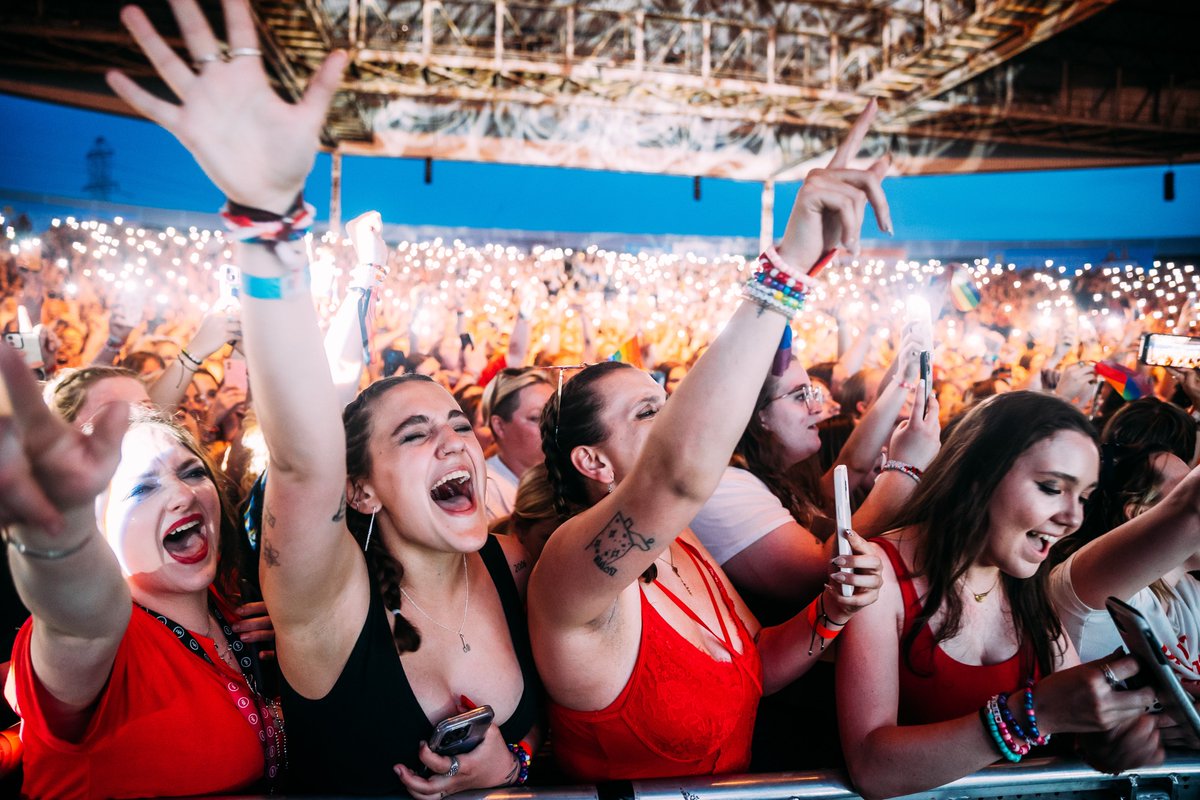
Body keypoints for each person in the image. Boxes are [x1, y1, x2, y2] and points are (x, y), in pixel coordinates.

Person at [106, 2, 540, 795]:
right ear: (361, 485)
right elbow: (304, 462)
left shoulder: (512, 564)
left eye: (456, 422)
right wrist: (268, 225)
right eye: (413, 434)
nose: (455, 441)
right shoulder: (327, 603)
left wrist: (508, 766)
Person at [518, 102, 889, 781]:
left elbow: (755, 669)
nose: (672, 424)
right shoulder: (573, 569)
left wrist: (830, 613)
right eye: (645, 415)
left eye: (668, 406)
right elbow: (678, 474)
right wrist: (791, 265)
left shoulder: (683, 542)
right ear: (592, 461)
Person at [837, 391, 1165, 800]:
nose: (1073, 518)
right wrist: (1031, 716)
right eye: (1051, 488)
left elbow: (1071, 716)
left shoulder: (1021, 581)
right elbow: (871, 766)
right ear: (978, 473)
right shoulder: (879, 574)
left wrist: (1111, 736)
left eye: (1083, 497)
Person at [0, 346, 278, 799]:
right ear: (96, 523)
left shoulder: (237, 613)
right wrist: (59, 536)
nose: (183, 494)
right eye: (142, 487)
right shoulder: (100, 643)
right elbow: (77, 622)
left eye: (192, 471)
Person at [1048, 399, 1200, 703]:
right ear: (1139, 512)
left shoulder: (1189, 593)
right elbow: (1193, 508)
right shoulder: (1088, 581)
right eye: (1181, 489)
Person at [480, 367, 553, 521]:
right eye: (537, 418)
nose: (553, 426)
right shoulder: (485, 493)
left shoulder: (564, 475)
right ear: (499, 426)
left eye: (557, 414)